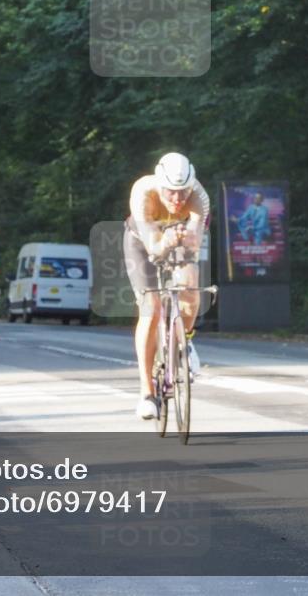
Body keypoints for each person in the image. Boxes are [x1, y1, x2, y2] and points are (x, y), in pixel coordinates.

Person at [123, 152, 209, 420]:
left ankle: (187, 340)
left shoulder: (199, 197)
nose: (177, 199)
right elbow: (154, 247)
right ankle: (147, 392)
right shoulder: (142, 193)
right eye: (171, 192)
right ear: (160, 185)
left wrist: (186, 237)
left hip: (179, 237)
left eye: (183, 192)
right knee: (151, 308)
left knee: (190, 286)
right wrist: (166, 239)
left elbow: (194, 241)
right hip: (142, 241)